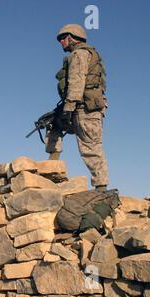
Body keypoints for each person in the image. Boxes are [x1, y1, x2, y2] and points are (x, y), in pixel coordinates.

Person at [46, 24, 109, 192]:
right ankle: (51, 170)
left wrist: (68, 108)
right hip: (80, 107)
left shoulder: (79, 54)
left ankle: (101, 189)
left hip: (84, 109)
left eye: (62, 39)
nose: (61, 42)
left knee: (90, 147)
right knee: (52, 125)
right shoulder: (87, 54)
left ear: (71, 38)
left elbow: (76, 81)